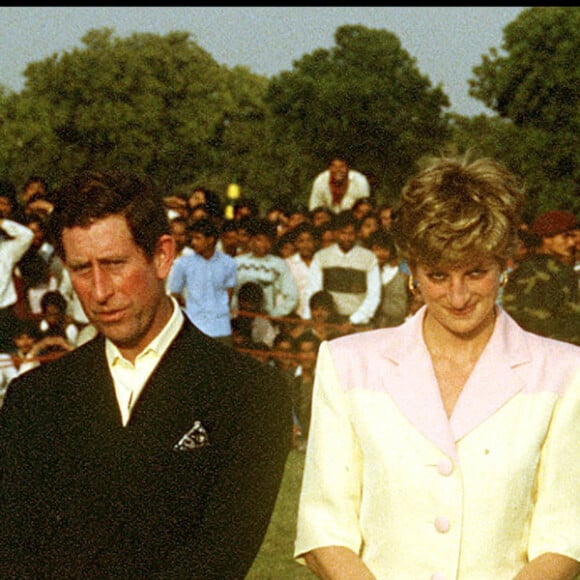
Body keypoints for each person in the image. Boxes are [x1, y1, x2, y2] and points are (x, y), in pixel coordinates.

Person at [294, 155, 580, 579]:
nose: (459, 296)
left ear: (505, 266)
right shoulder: (348, 364)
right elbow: (324, 529)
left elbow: (564, 537)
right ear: (412, 272)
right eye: (438, 275)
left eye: (477, 272)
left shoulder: (563, 372)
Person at [0, 169, 292, 578]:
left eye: (115, 264)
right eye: (82, 269)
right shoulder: (33, 398)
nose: (100, 291)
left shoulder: (249, 393)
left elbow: (220, 556)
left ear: (162, 256)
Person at [502, 209, 579, 345]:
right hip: (557, 352)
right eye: (566, 237)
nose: (572, 243)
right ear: (546, 238)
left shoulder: (520, 271)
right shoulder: (559, 273)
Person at [304, 209, 380, 329]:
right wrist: (312, 318)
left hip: (359, 323)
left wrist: (353, 320)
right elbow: (313, 290)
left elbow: (374, 295)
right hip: (328, 322)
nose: (347, 238)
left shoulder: (369, 258)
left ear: (357, 234)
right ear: (335, 233)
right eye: (343, 233)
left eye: (351, 233)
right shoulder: (321, 256)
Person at [168, 217, 237, 344]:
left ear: (210, 240)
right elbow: (174, 295)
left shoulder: (229, 263)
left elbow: (229, 296)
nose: (193, 242)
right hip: (194, 328)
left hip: (221, 328)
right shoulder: (182, 263)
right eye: (192, 238)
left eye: (197, 238)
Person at [232, 218, 299, 319]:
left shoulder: (278, 264)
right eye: (259, 239)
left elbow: (292, 296)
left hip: (264, 319)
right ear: (252, 240)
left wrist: (274, 315)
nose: (263, 244)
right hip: (237, 318)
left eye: (268, 241)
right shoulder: (237, 262)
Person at [0, 215, 34, 351]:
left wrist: (2, 223)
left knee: (11, 358)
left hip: (5, 314)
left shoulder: (6, 250)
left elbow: (27, 235)